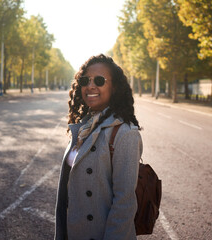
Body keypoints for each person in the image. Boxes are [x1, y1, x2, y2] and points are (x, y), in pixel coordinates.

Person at [55, 54, 143, 240]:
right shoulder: (83, 127)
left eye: (100, 80)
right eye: (86, 80)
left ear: (115, 87)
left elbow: (124, 203)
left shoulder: (125, 132)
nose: (91, 86)